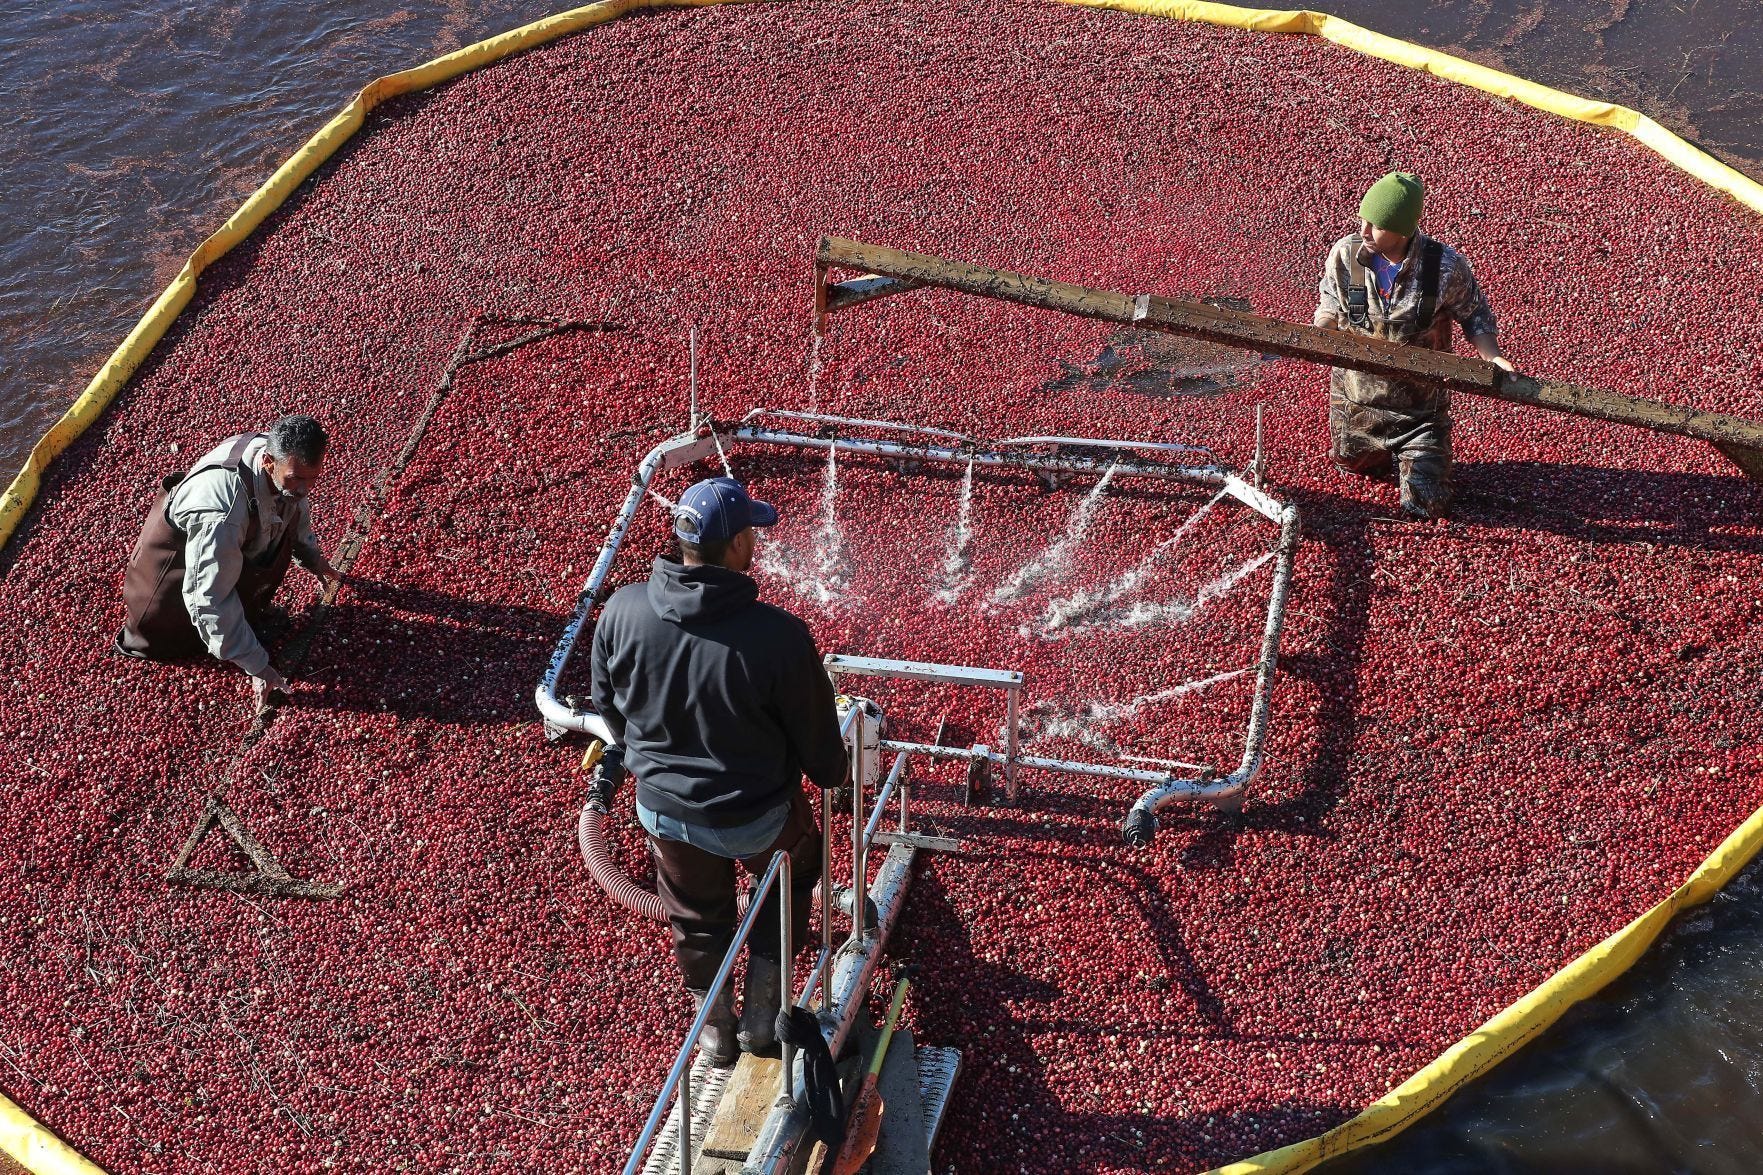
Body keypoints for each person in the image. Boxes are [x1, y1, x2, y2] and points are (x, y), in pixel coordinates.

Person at [589, 476, 846, 1066]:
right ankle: (763, 1016)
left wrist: (650, 760)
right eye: (751, 531)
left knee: (696, 914)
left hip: (662, 811)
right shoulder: (777, 637)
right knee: (791, 876)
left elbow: (610, 709)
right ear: (734, 547)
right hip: (752, 814)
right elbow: (821, 754)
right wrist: (836, 773)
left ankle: (715, 1031)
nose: (755, 540)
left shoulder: (622, 612)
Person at [1314, 171, 1515, 518]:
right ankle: (1365, 453)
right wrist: (1322, 328)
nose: (1363, 231)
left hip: (1418, 414)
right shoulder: (1346, 255)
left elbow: (1474, 313)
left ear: (1404, 230)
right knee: (1352, 466)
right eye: (1362, 219)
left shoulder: (1443, 267)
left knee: (1427, 507)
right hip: (1356, 403)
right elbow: (1330, 300)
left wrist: (1493, 357)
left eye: (1376, 225)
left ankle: (1422, 460)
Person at [117, 415, 341, 708]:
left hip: (219, 559)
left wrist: (314, 560)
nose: (305, 488)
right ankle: (226, 639)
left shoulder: (285, 463)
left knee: (281, 508)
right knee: (171, 635)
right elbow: (207, 597)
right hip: (167, 594)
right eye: (297, 478)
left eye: (313, 478)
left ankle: (241, 627)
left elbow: (295, 511)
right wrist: (258, 665)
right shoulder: (222, 514)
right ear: (268, 462)